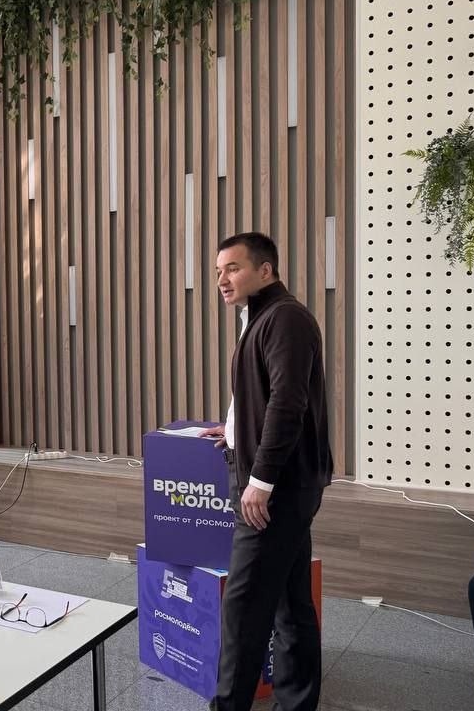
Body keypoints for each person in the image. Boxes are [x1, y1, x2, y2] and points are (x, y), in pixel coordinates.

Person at [200, 232, 331, 711]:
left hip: (275, 488)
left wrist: (261, 481)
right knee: (290, 603)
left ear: (265, 270)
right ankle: (297, 704)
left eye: (233, 268)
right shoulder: (260, 318)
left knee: (244, 606)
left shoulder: (284, 318)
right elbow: (263, 395)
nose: (222, 279)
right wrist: (235, 428)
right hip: (279, 482)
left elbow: (288, 403)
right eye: (219, 271)